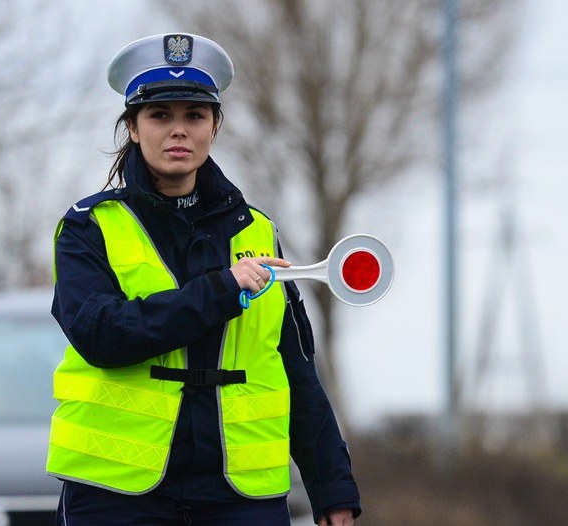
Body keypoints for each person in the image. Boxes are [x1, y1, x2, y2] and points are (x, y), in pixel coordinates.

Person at [48, 33, 360, 526]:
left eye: (194, 115)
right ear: (132, 127)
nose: (178, 130)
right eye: (159, 115)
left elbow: (294, 367)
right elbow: (102, 335)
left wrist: (332, 488)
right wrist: (221, 289)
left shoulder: (258, 231)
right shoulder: (88, 227)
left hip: (239, 495)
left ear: (215, 126)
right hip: (116, 492)